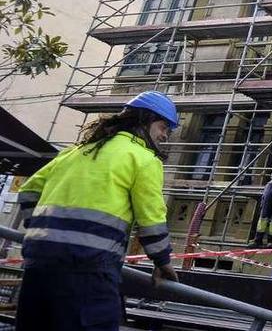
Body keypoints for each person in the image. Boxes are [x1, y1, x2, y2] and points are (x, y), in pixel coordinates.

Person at [15, 90, 179, 331]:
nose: (165, 135)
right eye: (164, 127)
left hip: (39, 262)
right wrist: (163, 261)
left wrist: (41, 230)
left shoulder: (76, 151)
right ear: (145, 120)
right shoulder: (143, 159)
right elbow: (151, 218)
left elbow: (28, 192)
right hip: (89, 270)